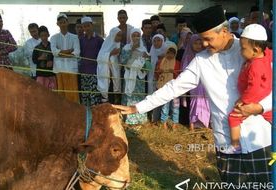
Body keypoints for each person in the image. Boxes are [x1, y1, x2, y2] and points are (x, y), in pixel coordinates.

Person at [113, 5, 272, 185]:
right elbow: (174, 87)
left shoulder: (249, 48)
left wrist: (260, 107)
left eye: (208, 39)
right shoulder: (202, 60)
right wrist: (138, 107)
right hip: (226, 142)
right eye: (201, 39)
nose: (204, 44)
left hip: (259, 137)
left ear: (225, 31)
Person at [228, 24, 272, 153]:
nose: (240, 51)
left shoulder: (255, 66)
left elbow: (255, 88)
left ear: (256, 50)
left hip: (255, 99)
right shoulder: (264, 57)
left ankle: (235, 145)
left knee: (233, 117)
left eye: (243, 48)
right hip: (259, 99)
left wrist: (243, 100)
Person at [181, 34, 210, 131]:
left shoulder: (205, 55)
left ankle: (205, 124)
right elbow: (185, 71)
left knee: (206, 103)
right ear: (191, 44)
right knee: (194, 103)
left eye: (200, 43)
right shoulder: (188, 56)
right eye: (195, 43)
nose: (198, 46)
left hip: (205, 83)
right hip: (194, 84)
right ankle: (192, 124)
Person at [120, 28, 148, 125]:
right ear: (130, 37)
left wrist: (145, 60)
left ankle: (139, 119)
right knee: (129, 95)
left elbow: (147, 63)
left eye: (138, 35)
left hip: (139, 77)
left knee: (138, 97)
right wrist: (131, 50)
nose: (136, 37)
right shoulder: (126, 47)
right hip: (129, 75)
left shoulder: (143, 48)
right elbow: (122, 61)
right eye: (134, 35)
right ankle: (128, 120)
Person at [50, 13, 80, 103]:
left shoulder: (75, 37)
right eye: (60, 22)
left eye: (64, 22)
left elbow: (77, 53)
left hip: (71, 69)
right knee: (61, 95)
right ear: (57, 24)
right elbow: (54, 52)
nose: (62, 24)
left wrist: (61, 52)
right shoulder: (54, 38)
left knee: (73, 93)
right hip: (59, 69)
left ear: (67, 23)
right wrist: (69, 51)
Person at [79, 16, 103, 106]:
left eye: (88, 26)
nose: (86, 28)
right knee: (85, 96)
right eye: (84, 26)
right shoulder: (81, 39)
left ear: (92, 25)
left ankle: (95, 118)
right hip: (84, 71)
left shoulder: (99, 39)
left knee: (94, 96)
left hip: (95, 71)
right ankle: (86, 118)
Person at [155, 44, 181, 129]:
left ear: (175, 54)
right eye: (168, 52)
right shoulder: (161, 62)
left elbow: (180, 76)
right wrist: (160, 71)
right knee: (165, 105)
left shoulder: (177, 63)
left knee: (175, 106)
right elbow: (156, 74)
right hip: (164, 87)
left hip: (175, 88)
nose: (170, 55)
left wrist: (173, 72)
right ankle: (164, 123)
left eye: (172, 53)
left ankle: (174, 123)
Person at [97, 27, 122, 103]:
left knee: (114, 96)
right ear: (113, 35)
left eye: (121, 36)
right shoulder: (106, 44)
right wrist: (110, 53)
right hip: (106, 75)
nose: (120, 37)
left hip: (114, 75)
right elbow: (99, 58)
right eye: (118, 35)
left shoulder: (119, 45)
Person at [32, 26, 56, 90]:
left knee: (52, 94)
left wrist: (53, 62)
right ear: (39, 36)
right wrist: (40, 58)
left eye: (45, 35)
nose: (44, 37)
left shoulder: (53, 47)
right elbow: (34, 60)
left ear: (48, 34)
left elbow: (57, 57)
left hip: (51, 73)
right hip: (40, 74)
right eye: (42, 36)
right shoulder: (37, 48)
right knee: (41, 93)